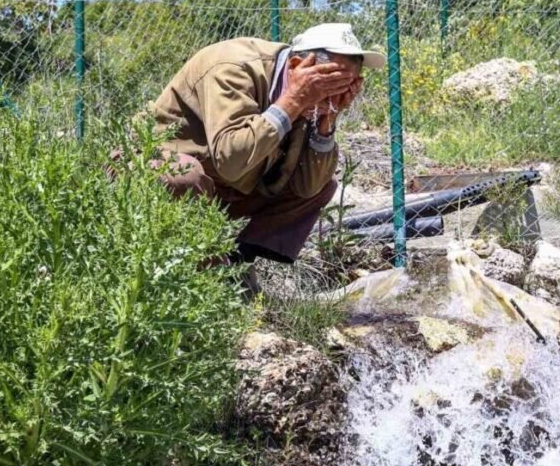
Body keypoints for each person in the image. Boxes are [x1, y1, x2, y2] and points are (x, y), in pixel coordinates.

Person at [147, 23, 384, 291]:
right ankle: (201, 282)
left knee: (323, 184)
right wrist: (293, 101)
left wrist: (326, 123)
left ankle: (237, 267)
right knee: (183, 175)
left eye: (347, 86)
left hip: (218, 180)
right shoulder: (232, 68)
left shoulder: (312, 97)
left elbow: (309, 188)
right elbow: (232, 159)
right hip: (152, 171)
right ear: (297, 66)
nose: (337, 97)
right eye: (330, 85)